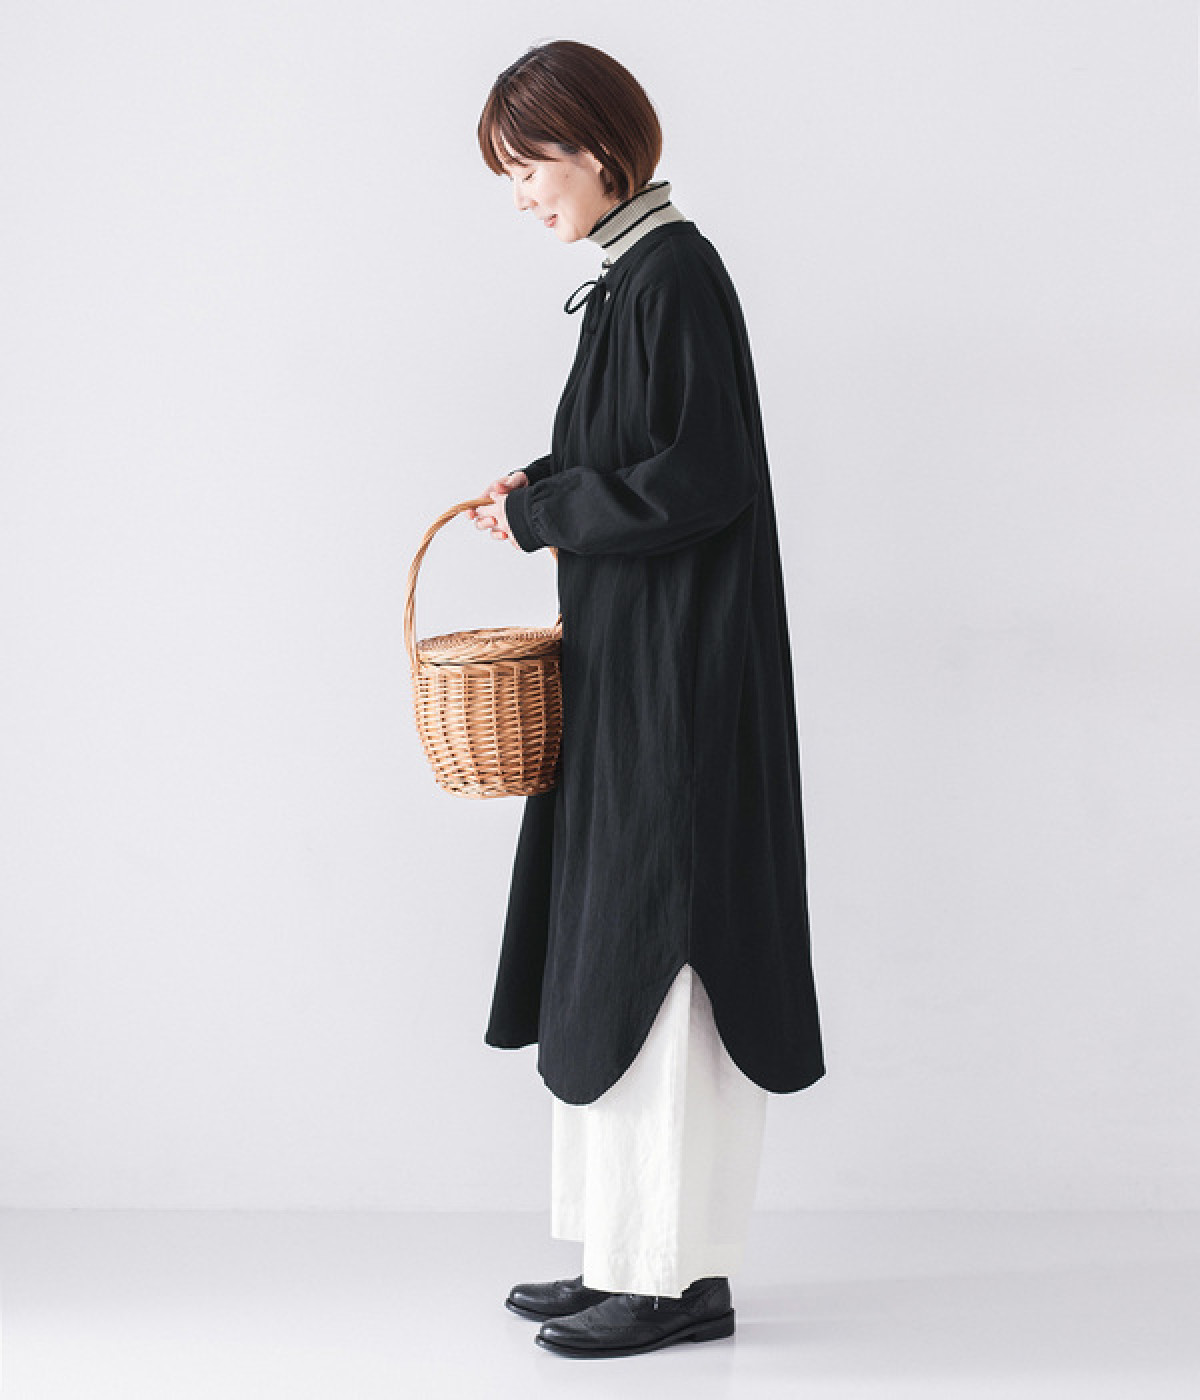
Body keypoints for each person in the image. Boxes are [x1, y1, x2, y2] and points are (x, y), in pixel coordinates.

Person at [469, 39, 825, 1359]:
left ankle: (672, 1280)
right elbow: (641, 457)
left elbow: (705, 479)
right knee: (615, 945)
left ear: (600, 147)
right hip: (637, 676)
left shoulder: (673, 274)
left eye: (530, 166)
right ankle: (633, 1258)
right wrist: (541, 487)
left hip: (680, 686)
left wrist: (553, 510)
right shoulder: (633, 279)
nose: (522, 196)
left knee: (667, 950)